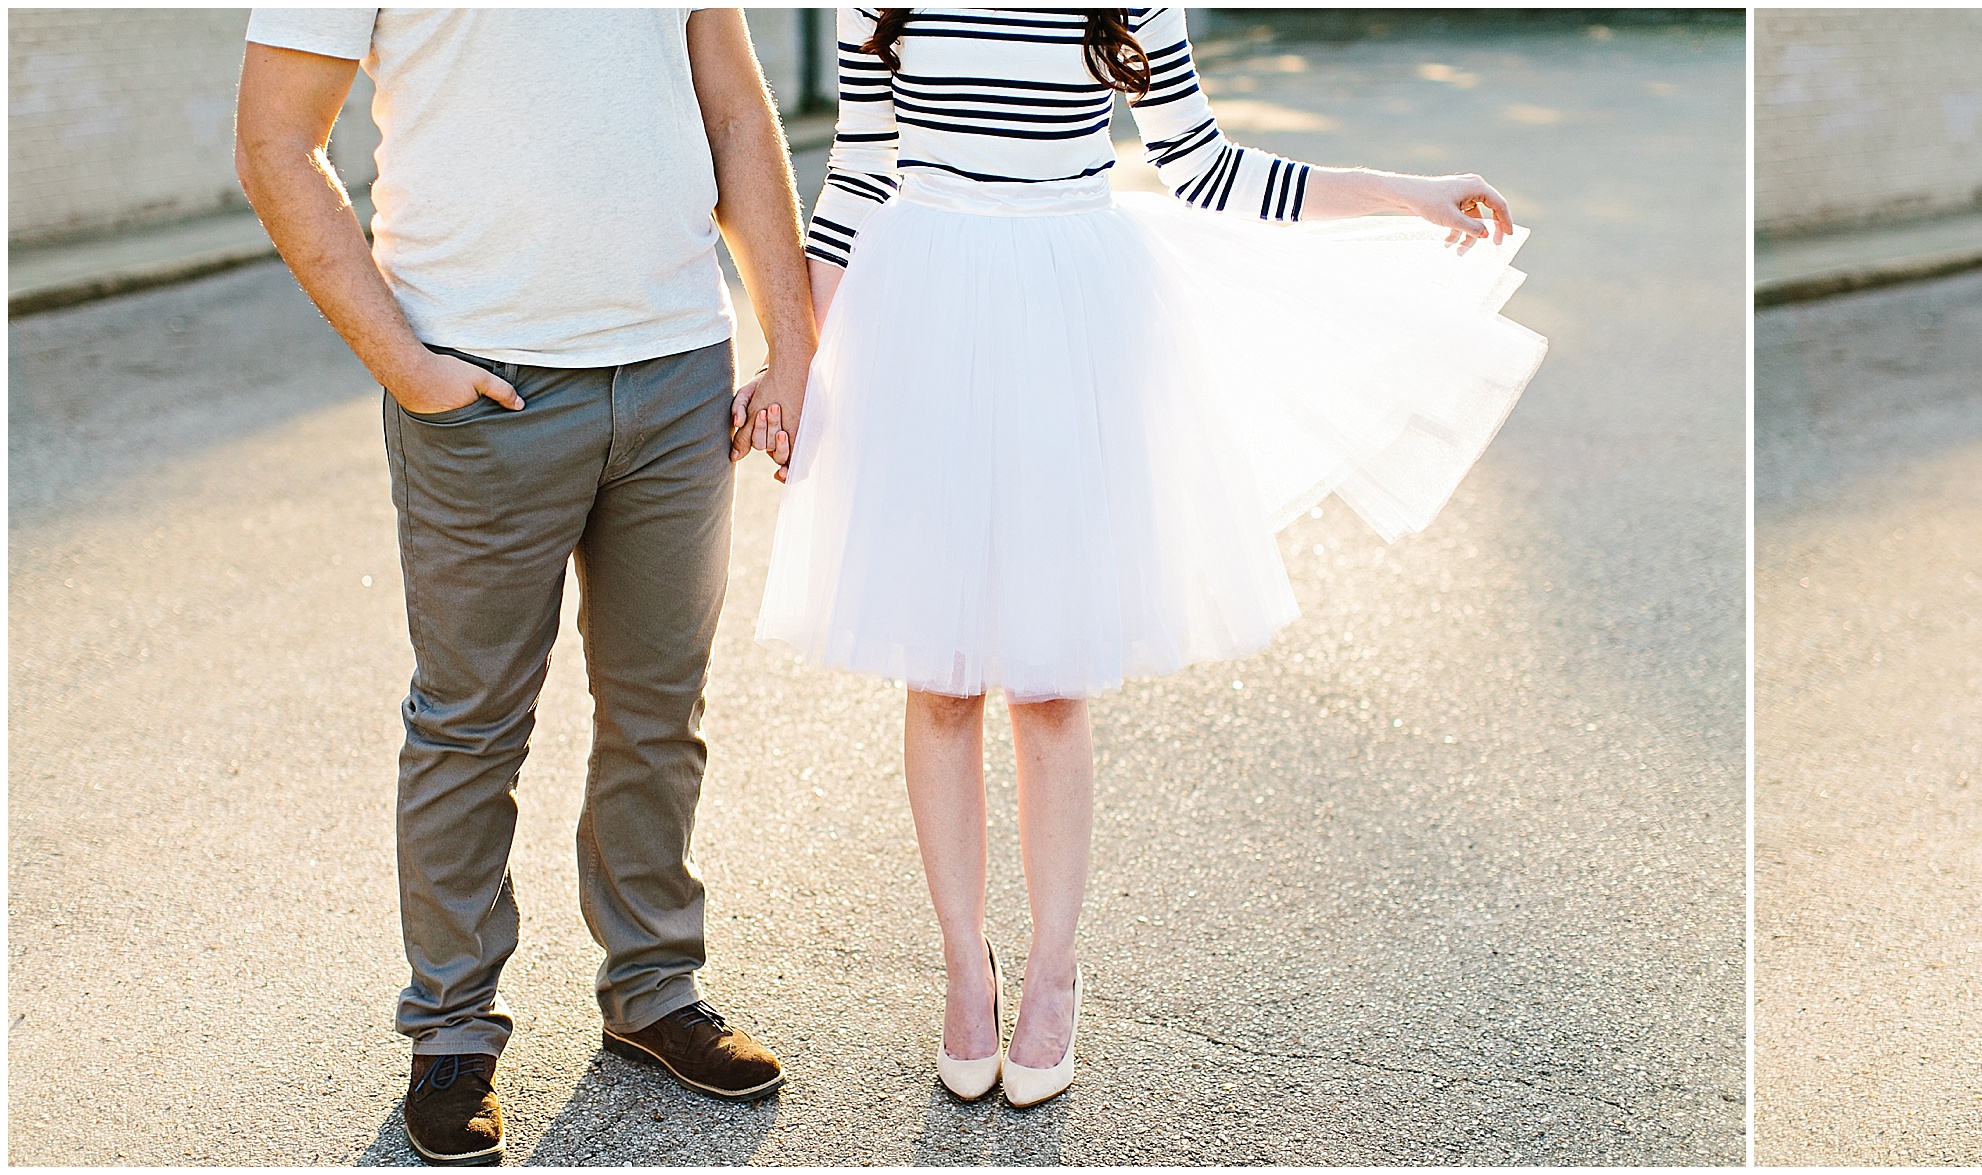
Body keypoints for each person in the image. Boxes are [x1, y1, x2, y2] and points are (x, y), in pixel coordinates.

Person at [752, 7, 1546, 1109]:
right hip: (920, 317)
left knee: (1047, 682)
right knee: (936, 678)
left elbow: (1203, 168)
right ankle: (961, 970)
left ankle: (1051, 974)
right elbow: (852, 180)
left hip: (1070, 317)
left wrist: (1398, 191)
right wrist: (794, 365)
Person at [235, 7, 817, 1165]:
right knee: (469, 721)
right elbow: (273, 141)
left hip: (673, 375)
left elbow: (737, 112)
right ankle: (451, 1032)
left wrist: (789, 344)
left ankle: (655, 989)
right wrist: (407, 366)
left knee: (659, 711)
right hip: (479, 383)